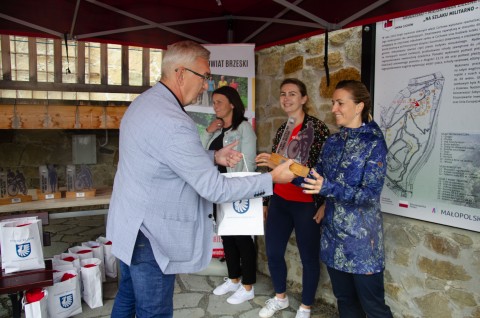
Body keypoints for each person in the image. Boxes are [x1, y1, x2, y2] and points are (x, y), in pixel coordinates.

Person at [106, 40, 296, 318]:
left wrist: (212, 156)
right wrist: (271, 181)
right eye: (204, 76)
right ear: (180, 73)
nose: (207, 86)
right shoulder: (173, 120)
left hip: (129, 224)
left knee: (128, 299)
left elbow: (162, 156)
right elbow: (214, 188)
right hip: (151, 236)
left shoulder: (144, 103)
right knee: (153, 312)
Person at [301, 80, 393, 318]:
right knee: (345, 301)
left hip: (362, 244)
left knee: (373, 308)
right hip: (333, 239)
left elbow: (369, 195)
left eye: (340, 103)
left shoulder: (374, 143)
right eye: (333, 103)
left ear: (359, 106)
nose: (334, 109)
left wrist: (328, 188)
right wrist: (284, 169)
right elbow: (315, 178)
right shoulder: (332, 142)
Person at [256, 78, 330, 318]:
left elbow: (323, 171)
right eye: (283, 94)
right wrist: (267, 200)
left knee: (309, 257)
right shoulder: (283, 128)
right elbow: (275, 171)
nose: (286, 98)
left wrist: (325, 203)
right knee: (274, 252)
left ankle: (306, 306)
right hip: (280, 200)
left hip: (306, 203)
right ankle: (280, 298)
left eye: (292, 94)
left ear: (304, 99)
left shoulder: (317, 129)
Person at [201, 85, 257, 305]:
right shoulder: (216, 129)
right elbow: (201, 156)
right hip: (218, 190)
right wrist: (208, 132)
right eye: (213, 102)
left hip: (236, 191)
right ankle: (234, 279)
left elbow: (249, 162)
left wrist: (237, 191)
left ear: (232, 104)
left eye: (219, 102)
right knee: (227, 236)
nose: (215, 106)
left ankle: (248, 286)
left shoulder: (243, 128)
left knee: (243, 240)